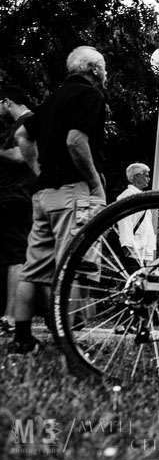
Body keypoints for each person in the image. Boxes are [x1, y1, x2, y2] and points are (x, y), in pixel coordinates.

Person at [8, 46, 108, 354]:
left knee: (33, 269)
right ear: (94, 69)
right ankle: (69, 343)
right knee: (72, 267)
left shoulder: (52, 99)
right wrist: (94, 182)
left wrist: (38, 169)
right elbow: (75, 140)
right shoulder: (90, 95)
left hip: (43, 195)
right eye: (104, 68)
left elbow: (23, 136)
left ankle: (22, 338)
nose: (105, 74)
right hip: (72, 192)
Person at [0, 85, 35, 334]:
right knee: (9, 254)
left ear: (7, 101)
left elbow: (25, 154)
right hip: (11, 195)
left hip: (18, 197)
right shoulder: (17, 125)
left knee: (15, 255)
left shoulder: (30, 121)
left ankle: (11, 315)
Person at [116, 163, 154, 265]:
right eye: (146, 175)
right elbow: (125, 222)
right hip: (134, 249)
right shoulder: (127, 195)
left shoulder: (141, 196)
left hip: (144, 249)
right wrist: (127, 245)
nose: (149, 179)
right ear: (137, 176)